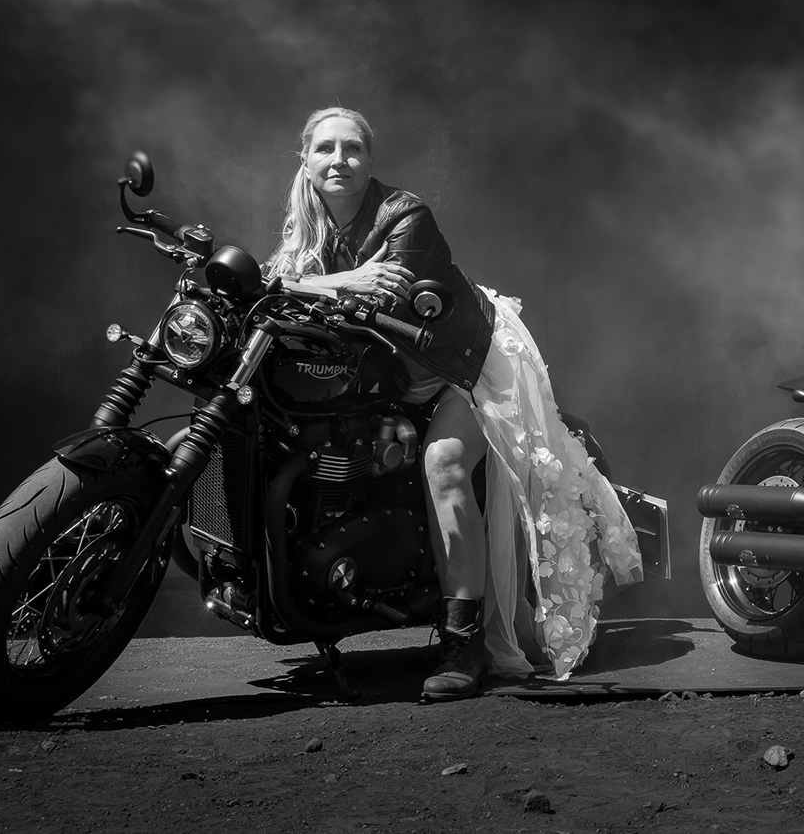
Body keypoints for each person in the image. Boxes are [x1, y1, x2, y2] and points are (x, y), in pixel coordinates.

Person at [263, 106, 643, 701]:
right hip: (396, 372)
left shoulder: (404, 216)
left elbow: (376, 300)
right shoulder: (308, 229)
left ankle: (464, 643)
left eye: (353, 148)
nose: (339, 160)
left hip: (466, 363)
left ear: (370, 160)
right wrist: (322, 284)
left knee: (443, 462)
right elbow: (276, 287)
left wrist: (318, 287)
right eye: (325, 149)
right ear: (305, 160)